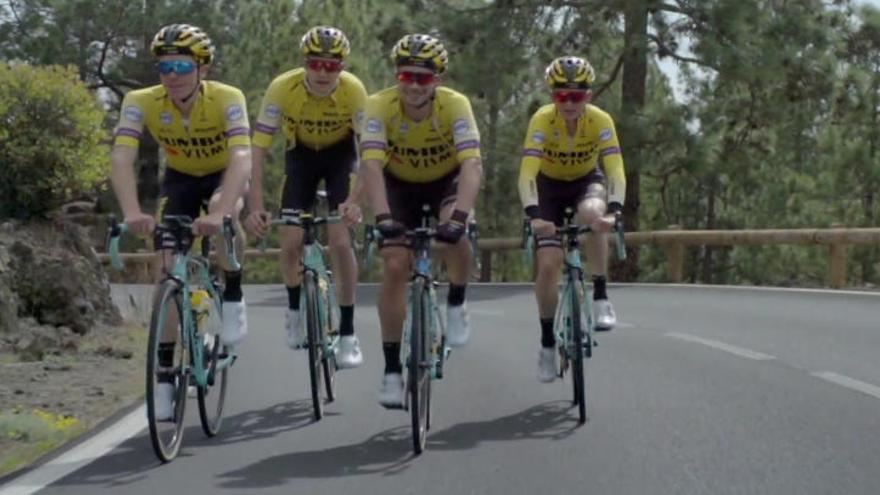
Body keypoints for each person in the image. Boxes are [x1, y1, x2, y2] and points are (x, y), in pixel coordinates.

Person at [110, 24, 252, 419]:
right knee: (168, 269)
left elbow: (242, 158)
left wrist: (220, 213)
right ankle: (165, 376)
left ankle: (234, 289)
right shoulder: (142, 100)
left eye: (180, 65)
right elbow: (122, 155)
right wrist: (132, 212)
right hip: (181, 178)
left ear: (202, 69)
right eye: (163, 67)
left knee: (226, 210)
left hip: (224, 173)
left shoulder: (227, 98)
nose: (171, 75)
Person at [347, 33, 482, 407]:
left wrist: (458, 218)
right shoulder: (379, 105)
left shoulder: (455, 105)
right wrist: (384, 217)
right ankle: (392, 370)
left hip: (445, 181)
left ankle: (456, 303)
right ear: (397, 77)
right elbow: (371, 166)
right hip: (398, 184)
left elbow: (471, 165)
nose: (414, 86)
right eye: (406, 77)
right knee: (393, 264)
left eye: (423, 78)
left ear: (437, 79)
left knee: (459, 236)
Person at [246, 26, 366, 369]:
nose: (324, 72)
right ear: (305, 63)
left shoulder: (354, 90)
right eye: (316, 64)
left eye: (333, 66)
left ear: (342, 66)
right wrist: (256, 206)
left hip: (341, 157)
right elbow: (257, 151)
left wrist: (356, 200)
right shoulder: (282, 88)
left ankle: (346, 332)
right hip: (300, 158)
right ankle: (295, 308)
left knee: (341, 241)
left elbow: (372, 152)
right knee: (290, 239)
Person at [517, 56, 626, 383]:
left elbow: (616, 169)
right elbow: (527, 175)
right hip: (548, 189)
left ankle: (601, 296)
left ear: (588, 97)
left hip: (584, 182)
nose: (568, 103)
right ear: (553, 97)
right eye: (561, 96)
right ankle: (548, 344)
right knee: (549, 263)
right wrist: (534, 216)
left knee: (594, 215)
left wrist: (614, 211)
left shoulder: (600, 120)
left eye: (576, 96)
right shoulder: (541, 121)